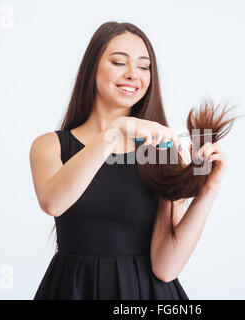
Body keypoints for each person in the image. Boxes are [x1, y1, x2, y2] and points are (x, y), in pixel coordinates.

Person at [29, 21, 228, 300]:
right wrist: (113, 132)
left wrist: (207, 190)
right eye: (119, 62)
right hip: (73, 289)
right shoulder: (50, 146)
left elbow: (166, 268)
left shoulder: (163, 152)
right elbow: (53, 202)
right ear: (92, 68)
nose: (133, 74)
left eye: (144, 66)